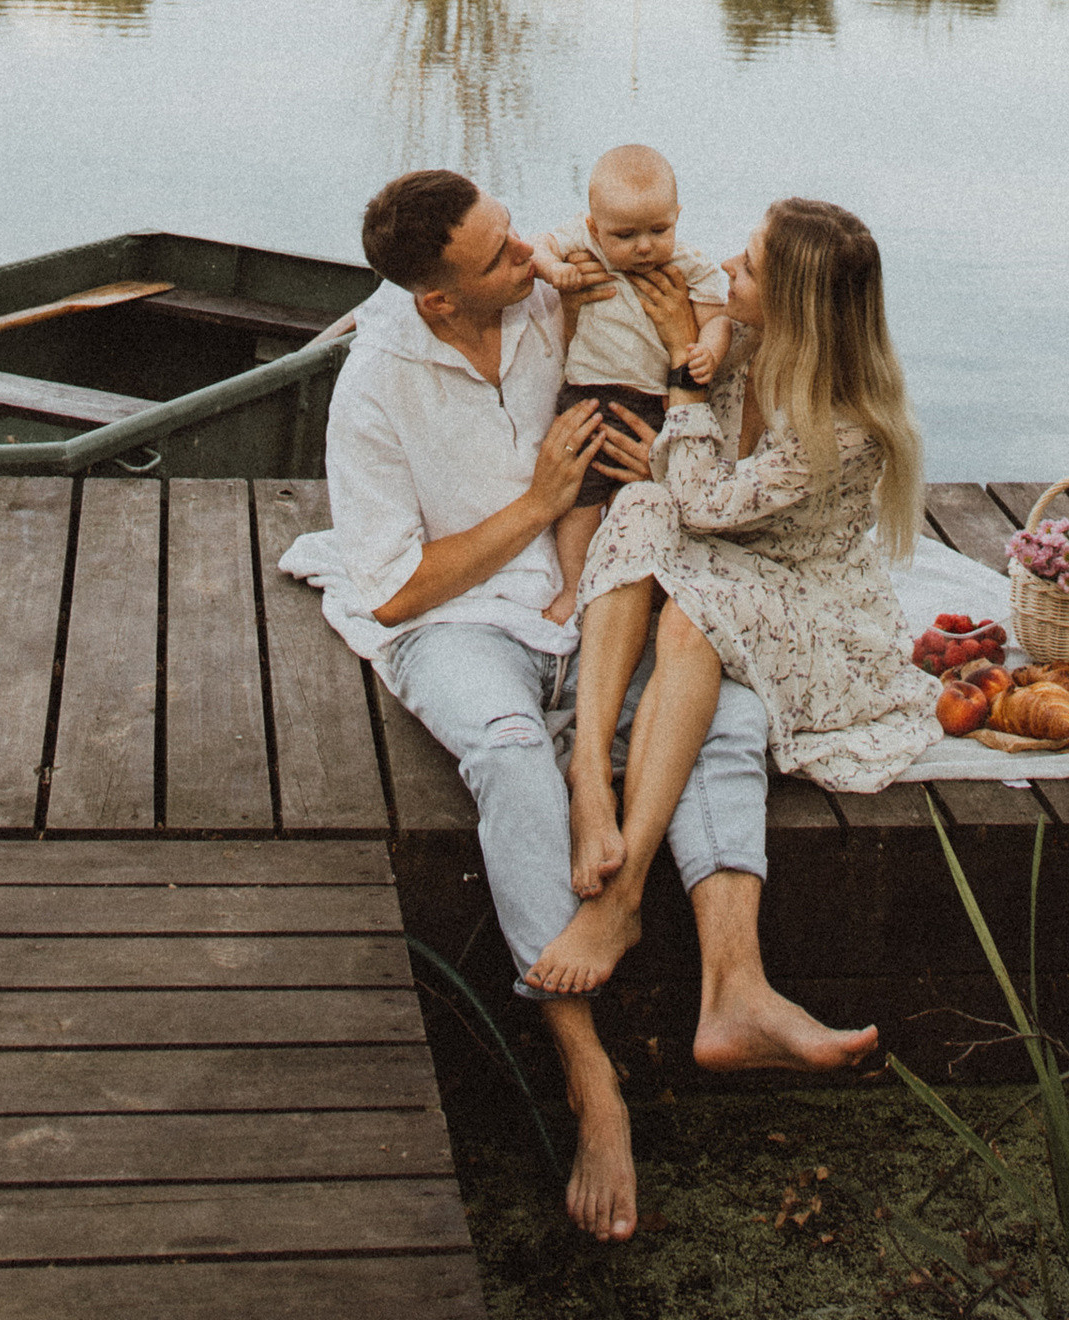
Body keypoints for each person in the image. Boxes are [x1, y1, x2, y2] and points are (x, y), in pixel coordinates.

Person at [323, 165, 877, 1244]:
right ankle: (590, 1080)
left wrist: (674, 397)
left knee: (725, 712)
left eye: (516, 232)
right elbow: (391, 590)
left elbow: (700, 326)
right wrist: (537, 503)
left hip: (595, 589)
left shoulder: (555, 287)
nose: (530, 254)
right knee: (509, 749)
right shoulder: (375, 384)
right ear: (438, 298)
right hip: (460, 618)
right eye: (502, 254)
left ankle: (736, 989)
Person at [527, 196, 942, 1000]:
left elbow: (701, 500)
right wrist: (685, 375)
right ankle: (588, 771)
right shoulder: (746, 343)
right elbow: (684, 492)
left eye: (748, 267)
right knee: (637, 506)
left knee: (690, 611)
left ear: (794, 300)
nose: (726, 268)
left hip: (809, 598)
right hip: (727, 552)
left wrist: (681, 394)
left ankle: (623, 895)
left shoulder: (846, 422)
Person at [531, 142, 733, 629]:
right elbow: (536, 247)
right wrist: (555, 270)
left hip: (652, 401)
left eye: (658, 230)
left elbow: (718, 318)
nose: (644, 246)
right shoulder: (585, 244)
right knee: (580, 500)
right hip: (586, 394)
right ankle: (573, 586)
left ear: (677, 216)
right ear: (595, 225)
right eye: (625, 235)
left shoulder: (687, 262)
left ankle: (633, 590)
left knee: (634, 502)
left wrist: (707, 350)